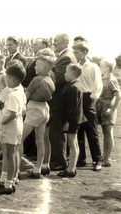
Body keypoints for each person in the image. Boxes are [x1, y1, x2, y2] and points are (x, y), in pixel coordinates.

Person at [19, 49, 55, 179]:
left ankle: (15, 169)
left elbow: (26, 96)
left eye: (37, 64)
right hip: (44, 109)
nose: (34, 66)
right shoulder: (50, 79)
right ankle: (38, 168)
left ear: (44, 67)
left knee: (19, 139)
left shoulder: (36, 79)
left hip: (34, 108)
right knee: (40, 140)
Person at [0, 62, 26, 195]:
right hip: (13, 126)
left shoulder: (13, 94)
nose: (5, 79)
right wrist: (4, 93)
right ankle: (4, 178)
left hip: (10, 127)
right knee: (7, 153)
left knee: (10, 154)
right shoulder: (14, 91)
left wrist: (3, 122)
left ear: (12, 79)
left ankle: (8, 184)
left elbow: (12, 113)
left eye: (6, 77)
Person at [48, 34, 77, 171]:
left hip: (60, 99)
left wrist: (49, 70)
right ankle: (59, 159)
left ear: (65, 42)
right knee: (55, 131)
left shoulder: (66, 57)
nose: (54, 43)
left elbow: (58, 80)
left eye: (56, 41)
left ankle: (60, 160)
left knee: (56, 131)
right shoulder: (63, 56)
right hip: (60, 99)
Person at [73, 42, 103, 171]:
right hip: (77, 98)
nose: (76, 55)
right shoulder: (76, 66)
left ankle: (97, 160)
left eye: (78, 52)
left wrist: (92, 97)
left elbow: (98, 84)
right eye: (75, 52)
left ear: (85, 52)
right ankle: (81, 159)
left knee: (92, 130)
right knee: (78, 129)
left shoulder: (92, 66)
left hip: (87, 98)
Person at [57, 64, 83, 177]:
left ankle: (71, 169)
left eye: (67, 72)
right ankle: (72, 167)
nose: (65, 74)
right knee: (74, 143)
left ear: (73, 73)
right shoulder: (75, 85)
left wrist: (67, 122)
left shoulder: (73, 87)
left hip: (72, 120)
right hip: (74, 119)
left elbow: (71, 108)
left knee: (72, 143)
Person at [95, 58, 121, 167]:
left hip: (108, 108)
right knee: (104, 133)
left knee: (108, 132)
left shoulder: (112, 80)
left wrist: (112, 109)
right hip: (100, 108)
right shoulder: (101, 78)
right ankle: (104, 155)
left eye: (101, 65)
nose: (100, 67)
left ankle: (108, 158)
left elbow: (118, 96)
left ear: (107, 67)